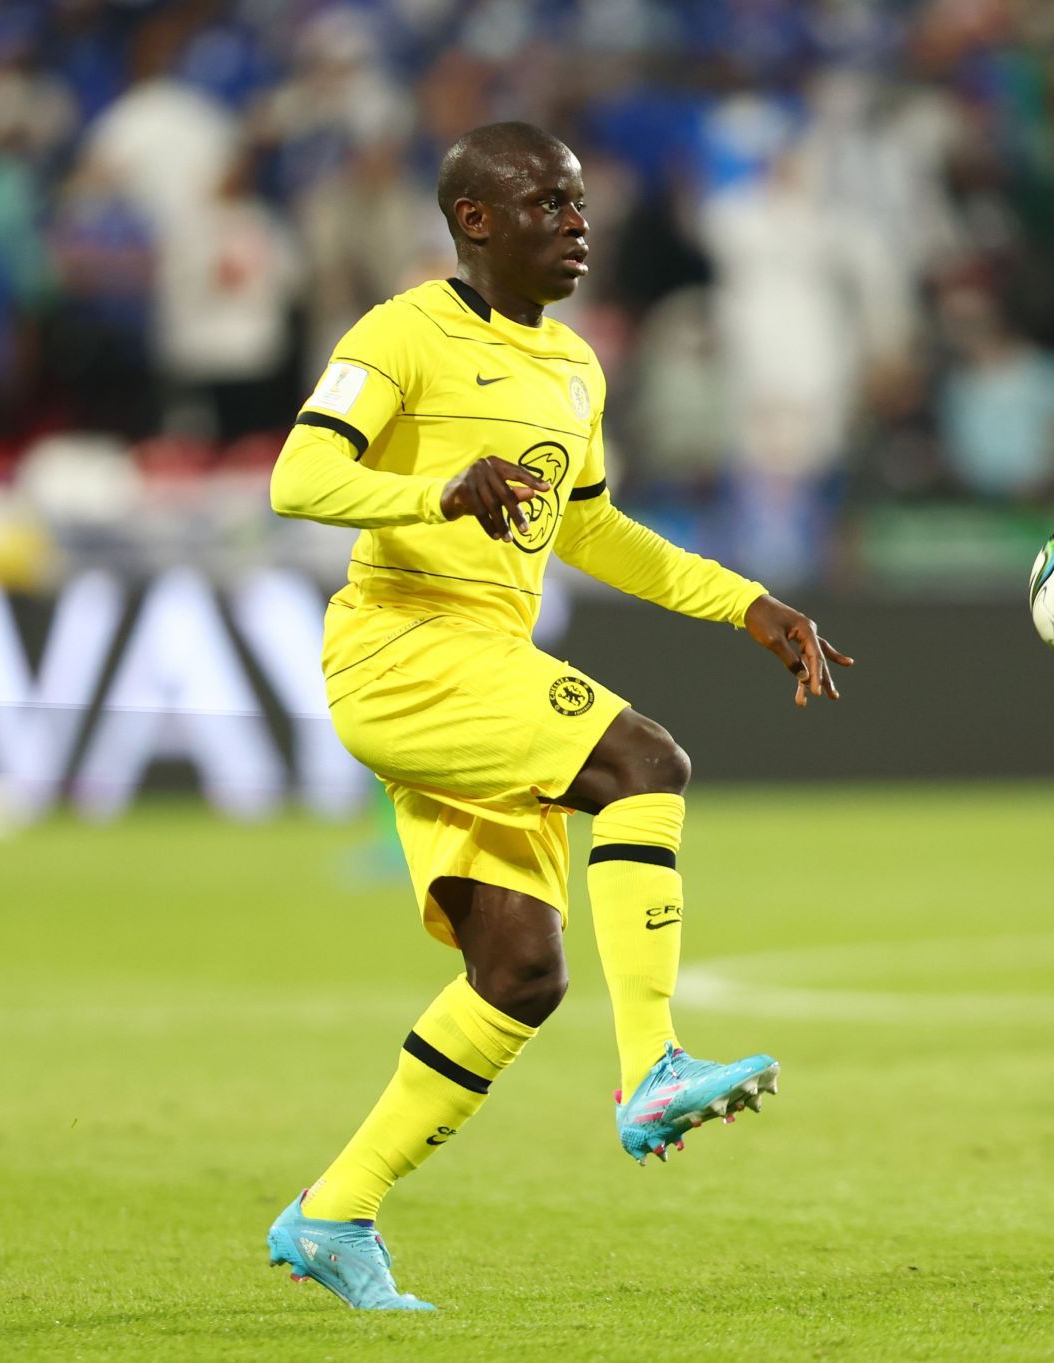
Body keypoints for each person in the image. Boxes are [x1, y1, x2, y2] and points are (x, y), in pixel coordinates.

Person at [262, 121, 852, 1311]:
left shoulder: (575, 367)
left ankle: (334, 1211)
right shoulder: (398, 333)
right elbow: (299, 477)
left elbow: (589, 528)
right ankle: (654, 1067)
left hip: (484, 659)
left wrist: (747, 604)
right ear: (476, 221)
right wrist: (439, 488)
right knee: (646, 761)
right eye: (547, 204)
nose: (576, 224)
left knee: (519, 973)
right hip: (401, 645)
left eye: (580, 205)